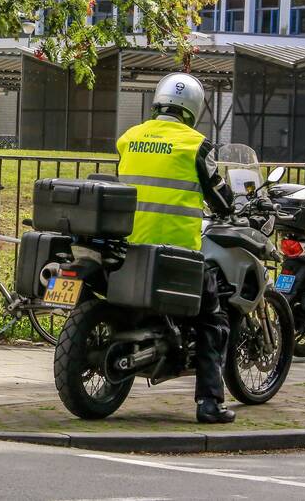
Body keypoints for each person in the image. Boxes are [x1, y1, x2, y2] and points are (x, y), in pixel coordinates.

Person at [115, 72, 237, 425]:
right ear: (194, 108)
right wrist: (231, 207)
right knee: (214, 319)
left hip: (128, 247)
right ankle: (210, 403)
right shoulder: (195, 145)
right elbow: (218, 196)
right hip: (177, 251)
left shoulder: (129, 138)